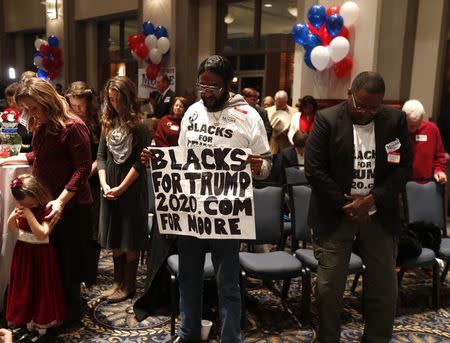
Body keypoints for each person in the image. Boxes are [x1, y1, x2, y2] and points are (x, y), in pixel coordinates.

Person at [139, 55, 271, 343]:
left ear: (228, 85)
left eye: (214, 86)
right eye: (203, 85)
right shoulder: (192, 113)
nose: (207, 91)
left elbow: (266, 165)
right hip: (192, 212)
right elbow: (181, 159)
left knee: (228, 282)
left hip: (227, 214)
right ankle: (187, 334)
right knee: (189, 278)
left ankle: (231, 337)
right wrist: (156, 159)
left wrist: (259, 167)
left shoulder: (249, 116)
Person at [305, 71, 412, 343]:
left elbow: (402, 168)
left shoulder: (394, 120)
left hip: (378, 214)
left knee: (384, 287)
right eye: (360, 105)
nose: (366, 112)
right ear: (349, 94)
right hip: (335, 214)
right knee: (329, 289)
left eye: (374, 107)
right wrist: (348, 204)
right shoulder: (327, 119)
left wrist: (371, 200)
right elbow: (314, 170)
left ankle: (376, 338)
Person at [0, 77, 93, 326]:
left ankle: (71, 317)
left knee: (68, 265)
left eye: (34, 108)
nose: (31, 113)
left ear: (48, 101)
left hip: (72, 206)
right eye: (27, 109)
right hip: (49, 203)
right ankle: (54, 314)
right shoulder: (42, 124)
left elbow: (83, 169)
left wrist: (61, 201)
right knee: (52, 265)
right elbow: (40, 155)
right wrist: (12, 159)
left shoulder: (73, 126)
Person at [97, 76, 150, 303]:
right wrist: (105, 184)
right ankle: (117, 282)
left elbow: (140, 163)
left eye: (118, 99)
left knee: (130, 237)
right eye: (111, 100)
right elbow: (101, 157)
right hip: (110, 187)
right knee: (115, 235)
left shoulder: (140, 124)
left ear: (128, 99)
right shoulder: (108, 123)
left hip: (131, 187)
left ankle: (129, 285)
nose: (115, 104)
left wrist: (120, 187)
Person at [6, 174, 67, 342]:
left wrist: (29, 215)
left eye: (29, 204)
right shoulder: (23, 208)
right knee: (25, 288)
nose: (26, 207)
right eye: (23, 204)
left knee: (41, 288)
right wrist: (13, 216)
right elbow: (12, 228)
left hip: (41, 256)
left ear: (37, 195)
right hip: (24, 254)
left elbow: (42, 234)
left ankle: (43, 327)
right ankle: (29, 322)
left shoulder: (47, 209)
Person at [65, 81, 102, 286]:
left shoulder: (96, 122)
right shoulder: (67, 120)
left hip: (92, 181)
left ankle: (89, 275)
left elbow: (101, 156)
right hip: (74, 180)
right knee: (75, 231)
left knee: (92, 231)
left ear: (89, 104)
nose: (78, 110)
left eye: (81, 106)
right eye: (74, 106)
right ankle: (76, 273)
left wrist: (85, 175)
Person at [402, 99, 447, 184]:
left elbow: (440, 157)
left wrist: (439, 171)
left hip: (424, 184)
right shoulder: (396, 129)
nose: (411, 129)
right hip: (400, 184)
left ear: (422, 117)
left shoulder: (432, 129)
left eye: (415, 125)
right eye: (409, 125)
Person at [4, 82, 32, 152]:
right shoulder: (9, 116)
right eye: (8, 100)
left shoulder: (32, 115)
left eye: (13, 100)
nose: (11, 104)